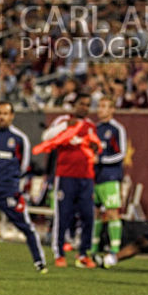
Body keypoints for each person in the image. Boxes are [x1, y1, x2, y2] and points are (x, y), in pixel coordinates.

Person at [33, 93, 100, 268]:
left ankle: (84, 253)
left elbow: (96, 148)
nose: (84, 107)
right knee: (64, 214)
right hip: (66, 175)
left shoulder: (91, 126)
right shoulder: (64, 120)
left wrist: (94, 148)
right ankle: (59, 253)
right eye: (81, 104)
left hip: (86, 176)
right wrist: (64, 126)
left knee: (88, 215)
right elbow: (46, 136)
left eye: (87, 104)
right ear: (74, 105)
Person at [0, 101, 47, 273]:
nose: (2, 117)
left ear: (12, 116)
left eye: (5, 113)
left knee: (26, 226)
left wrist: (11, 184)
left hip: (9, 192)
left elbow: (24, 166)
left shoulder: (20, 139)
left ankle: (39, 261)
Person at [90, 97, 127, 260]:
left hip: (111, 176)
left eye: (104, 106)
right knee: (95, 213)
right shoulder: (95, 128)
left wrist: (102, 160)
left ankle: (115, 249)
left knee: (112, 212)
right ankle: (93, 247)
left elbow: (122, 153)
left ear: (112, 110)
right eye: (99, 106)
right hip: (95, 177)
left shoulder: (117, 129)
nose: (100, 109)